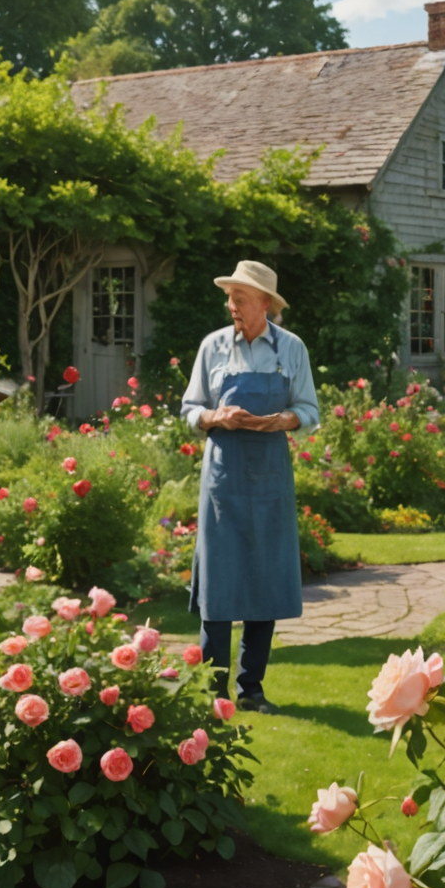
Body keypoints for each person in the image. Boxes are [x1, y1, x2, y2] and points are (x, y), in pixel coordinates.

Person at [179, 260, 318, 714]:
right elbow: (189, 408)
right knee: (219, 586)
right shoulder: (213, 346)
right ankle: (215, 691)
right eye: (230, 297)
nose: (231, 305)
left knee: (265, 581)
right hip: (222, 478)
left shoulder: (291, 348)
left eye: (239, 298)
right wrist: (215, 416)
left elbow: (309, 409)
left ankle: (251, 690)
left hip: (270, 477)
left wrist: (282, 420)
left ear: (264, 304)